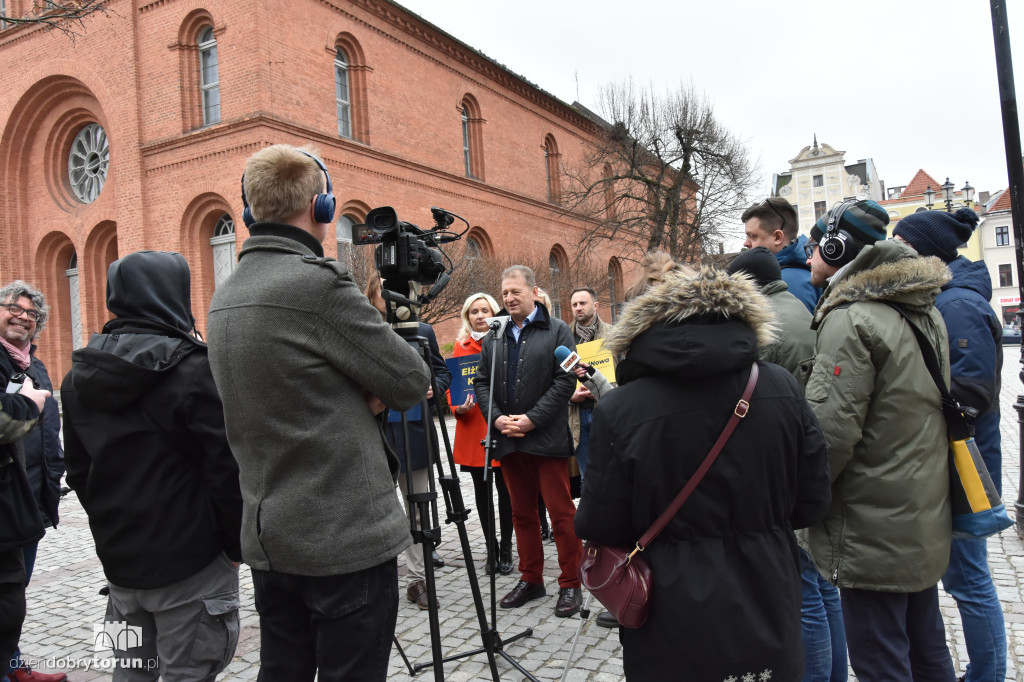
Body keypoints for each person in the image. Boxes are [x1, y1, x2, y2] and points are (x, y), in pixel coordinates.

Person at [207, 144, 428, 681]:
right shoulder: (317, 284)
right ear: (321, 207)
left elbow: (288, 393)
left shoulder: (225, 296)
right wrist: (367, 391)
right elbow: (410, 380)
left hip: (270, 538)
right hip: (342, 542)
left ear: (249, 212)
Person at [575, 265, 830, 681]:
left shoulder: (620, 409)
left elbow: (600, 523)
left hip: (670, 605)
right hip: (767, 587)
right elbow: (813, 501)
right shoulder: (781, 386)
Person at [62, 251, 243, 680]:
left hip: (121, 566)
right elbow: (226, 471)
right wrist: (235, 549)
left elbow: (80, 474)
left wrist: (113, 532)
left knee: (130, 674)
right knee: (188, 673)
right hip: (191, 566)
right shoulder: (196, 370)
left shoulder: (76, 376)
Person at [804, 199, 957, 681]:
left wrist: (797, 501)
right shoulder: (918, 306)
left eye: (815, 246)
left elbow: (829, 435)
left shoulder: (852, 318)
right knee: (926, 648)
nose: (809, 256)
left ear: (836, 247)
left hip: (869, 527)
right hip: (917, 516)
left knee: (880, 661)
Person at [893, 208, 1006, 682]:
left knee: (968, 579)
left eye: (902, 244)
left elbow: (971, 391)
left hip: (963, 467)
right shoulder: (948, 297)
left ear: (921, 250)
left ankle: (986, 674)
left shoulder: (956, 304)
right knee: (963, 577)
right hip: (955, 463)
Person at [726, 248, 847, 681]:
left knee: (804, 594)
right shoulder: (796, 306)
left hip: (786, 468)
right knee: (823, 588)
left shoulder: (767, 326)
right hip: (809, 460)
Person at [473, 265, 583, 618]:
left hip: (547, 438)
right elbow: (481, 383)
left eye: (515, 292)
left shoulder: (558, 330)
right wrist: (497, 418)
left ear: (534, 292)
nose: (508, 298)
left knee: (562, 514)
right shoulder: (494, 334)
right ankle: (531, 579)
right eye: (504, 293)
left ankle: (571, 583)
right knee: (522, 514)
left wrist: (532, 419)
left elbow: (565, 382)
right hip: (508, 440)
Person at [363, 278, 452, 610]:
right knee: (375, 512)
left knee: (419, 511)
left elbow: (443, 374)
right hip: (377, 435)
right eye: (386, 290)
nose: (394, 296)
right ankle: (374, 583)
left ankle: (419, 581)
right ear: (373, 296)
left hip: (415, 433)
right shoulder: (362, 332)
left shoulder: (424, 332)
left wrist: (433, 389)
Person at [0, 282, 66, 682]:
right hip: (6, 499)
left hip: (35, 499)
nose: (23, 317)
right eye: (14, 308)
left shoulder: (34, 365)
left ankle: (12, 661)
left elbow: (48, 429)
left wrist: (54, 479)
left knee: (14, 592)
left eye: (32, 314)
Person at [447, 292, 514, 576]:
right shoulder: (461, 348)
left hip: (502, 426)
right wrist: (457, 407)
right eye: (474, 311)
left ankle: (508, 546)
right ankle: (491, 549)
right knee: (482, 492)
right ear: (467, 316)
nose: (480, 316)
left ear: (495, 313)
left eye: (485, 310)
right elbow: (453, 387)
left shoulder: (508, 343)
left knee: (507, 493)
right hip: (474, 428)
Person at [742, 196, 822, 313]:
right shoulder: (805, 269)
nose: (746, 243)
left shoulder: (787, 283)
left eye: (753, 236)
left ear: (778, 237)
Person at [567, 287, 612, 482]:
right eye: (575, 304)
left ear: (595, 305)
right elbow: (558, 377)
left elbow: (623, 372)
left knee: (610, 471)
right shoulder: (565, 337)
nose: (578, 308)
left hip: (605, 411)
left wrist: (603, 389)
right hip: (578, 414)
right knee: (588, 476)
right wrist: (570, 396)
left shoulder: (613, 334)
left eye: (583, 303)